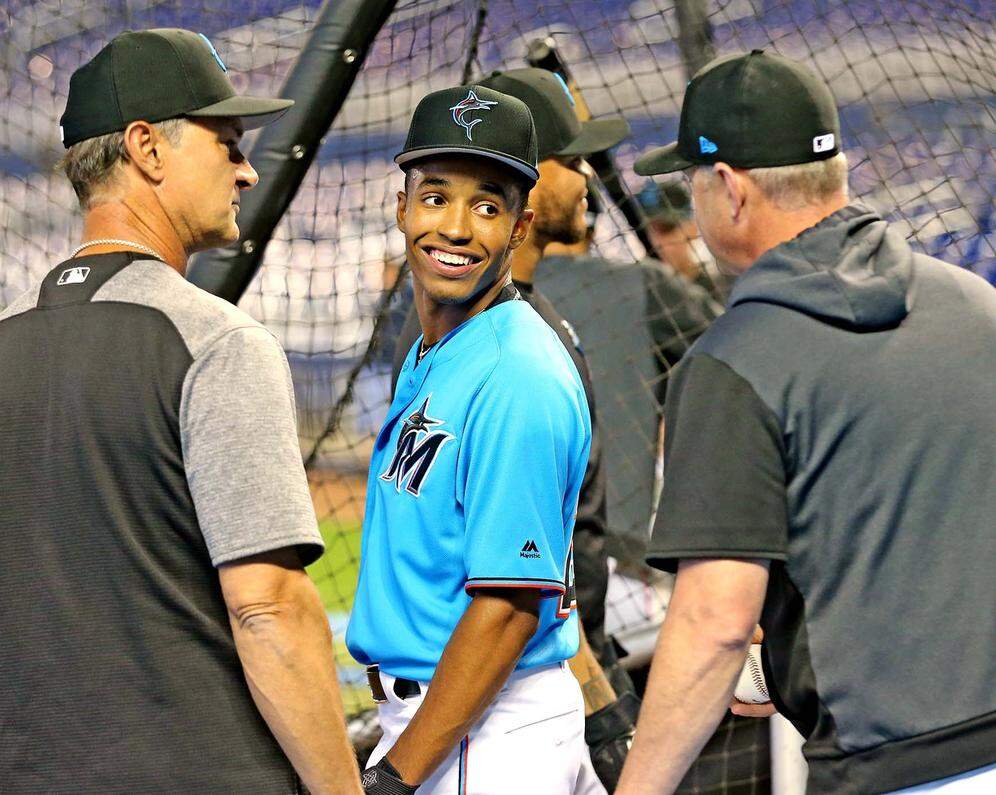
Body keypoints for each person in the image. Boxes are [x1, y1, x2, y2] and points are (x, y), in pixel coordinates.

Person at [0, 29, 361, 795]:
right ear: (146, 149)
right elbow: (268, 609)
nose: (246, 167)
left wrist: (48, 600)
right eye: (226, 142)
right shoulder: (217, 343)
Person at [616, 49, 996, 794]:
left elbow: (714, 625)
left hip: (887, 765)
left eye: (691, 181)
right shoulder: (978, 306)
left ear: (728, 188)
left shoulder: (732, 362)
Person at [346, 84, 595, 794]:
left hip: (480, 734)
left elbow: (509, 607)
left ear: (520, 227)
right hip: (459, 727)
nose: (454, 227)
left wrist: (395, 776)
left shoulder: (518, 371)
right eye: (435, 197)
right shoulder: (434, 346)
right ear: (402, 207)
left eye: (487, 205)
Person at [635, 179, 733, 301]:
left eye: (666, 230)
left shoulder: (726, 286)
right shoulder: (641, 297)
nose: (655, 242)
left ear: (692, 228)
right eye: (646, 231)